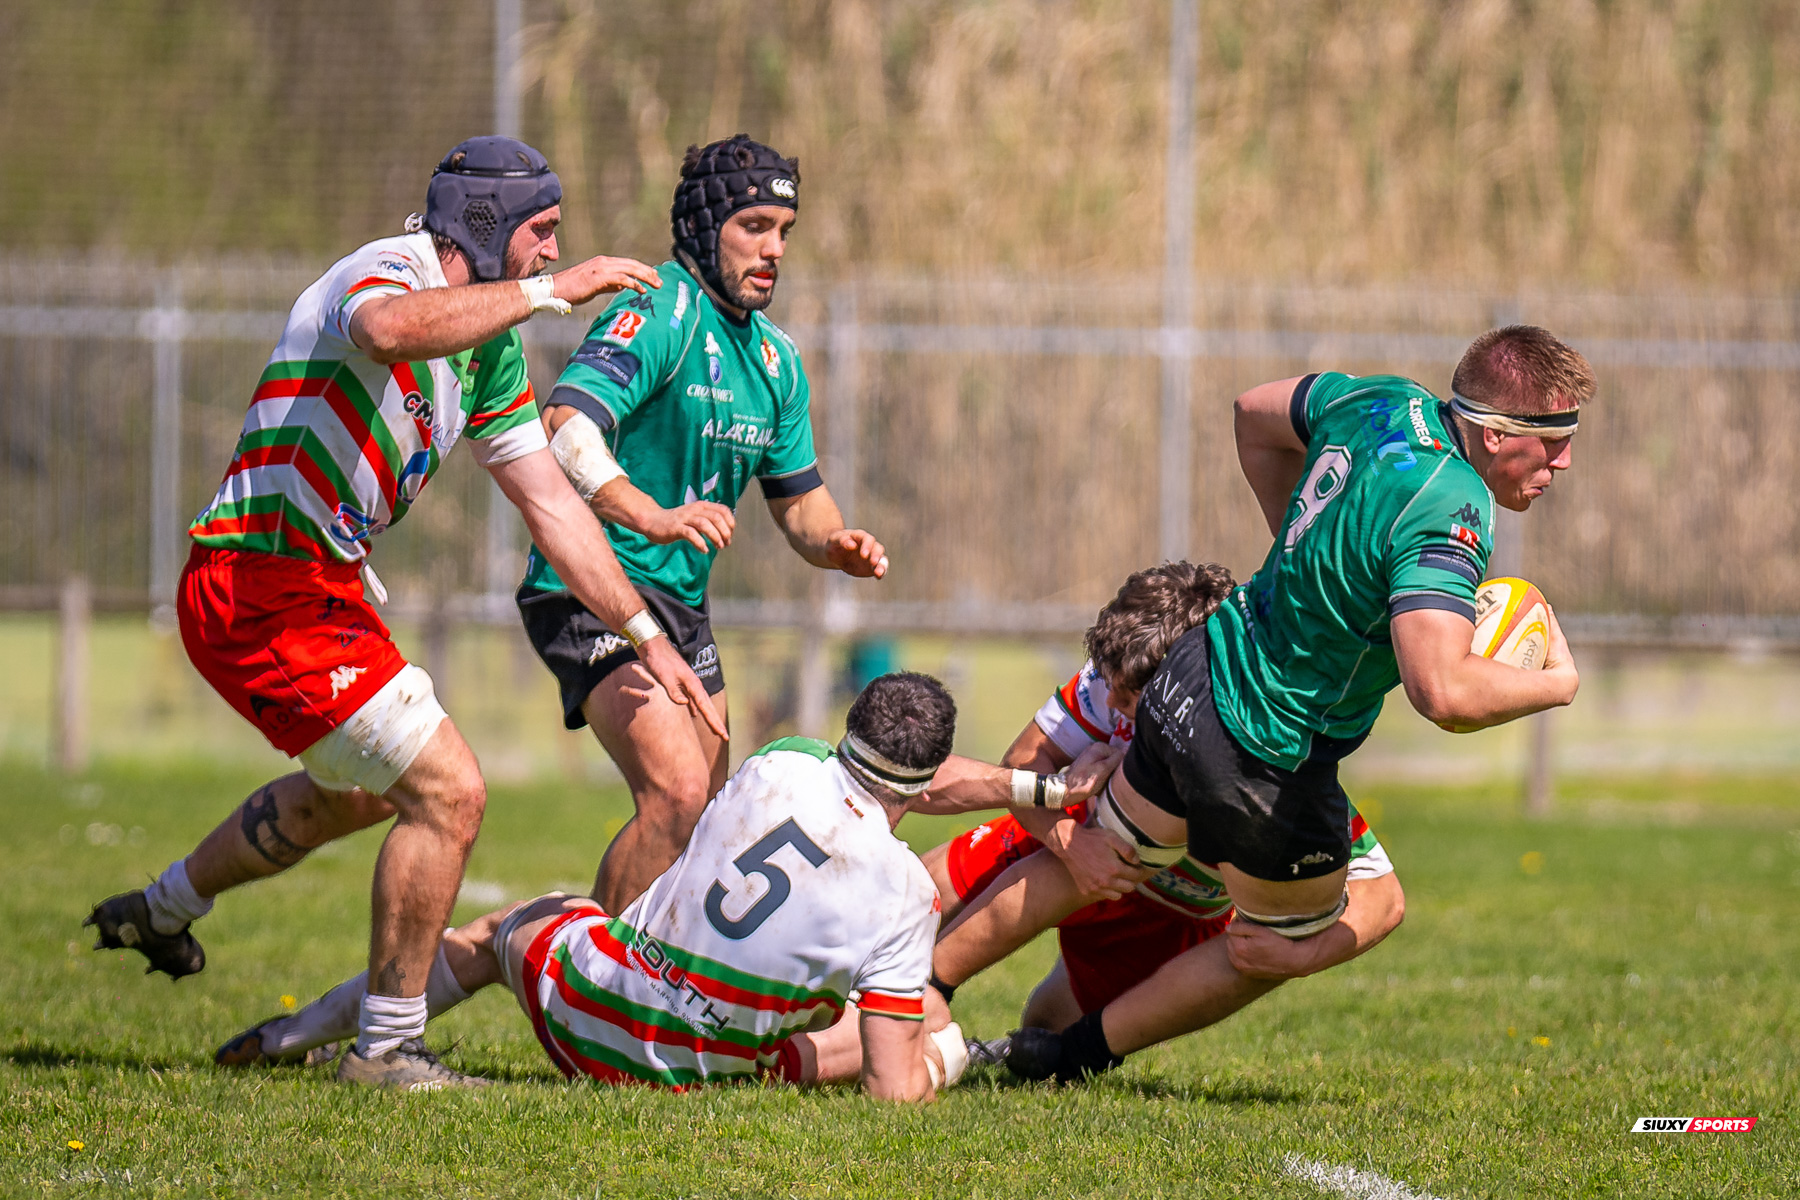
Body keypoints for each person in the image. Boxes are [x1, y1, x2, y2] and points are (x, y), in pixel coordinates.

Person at [84, 136, 722, 1090]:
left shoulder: (490, 360)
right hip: (260, 581)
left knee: (368, 790)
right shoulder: (390, 268)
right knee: (449, 792)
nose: (551, 253)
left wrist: (644, 635)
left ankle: (165, 908)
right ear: (487, 222)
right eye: (540, 233)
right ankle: (386, 1050)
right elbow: (384, 330)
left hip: (319, 591)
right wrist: (557, 293)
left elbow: (554, 508)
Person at [981, 325, 1592, 1080]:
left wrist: (1299, 555)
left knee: (1098, 852)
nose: (1565, 461)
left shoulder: (1381, 399)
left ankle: (918, 1006)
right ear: (1498, 434)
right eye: (1556, 441)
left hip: (1196, 678)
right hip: (1272, 746)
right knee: (1285, 939)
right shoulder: (1455, 502)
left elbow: (1251, 412)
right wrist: (1558, 684)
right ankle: (1065, 1058)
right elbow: (1444, 691)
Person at [217, 673, 972, 1098]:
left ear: (848, 731)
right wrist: (946, 1058)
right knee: (913, 1019)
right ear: (932, 777)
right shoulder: (910, 895)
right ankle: (963, 1045)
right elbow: (890, 1091)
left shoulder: (782, 761)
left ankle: (299, 1036)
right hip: (708, 1075)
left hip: (594, 1019)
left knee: (515, 921)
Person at [516, 134, 887, 914]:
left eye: (784, 231)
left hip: (680, 608)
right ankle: (589, 985)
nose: (774, 248)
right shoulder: (659, 310)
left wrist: (836, 543)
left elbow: (800, 501)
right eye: (754, 225)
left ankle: (551, 964)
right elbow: (565, 428)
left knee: (704, 824)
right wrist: (650, 516)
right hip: (594, 581)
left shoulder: (778, 362)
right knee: (680, 793)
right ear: (704, 222)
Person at [918, 562, 1403, 1081]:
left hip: (1174, 910)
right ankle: (914, 992)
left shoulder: (1262, 743)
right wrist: (1068, 841)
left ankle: (1050, 1049)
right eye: (1105, 683)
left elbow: (1385, 896)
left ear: (1182, 685)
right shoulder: (1118, 670)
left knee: (1046, 1031)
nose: (1108, 703)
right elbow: (1021, 764)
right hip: (1074, 847)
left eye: (1125, 698)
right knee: (907, 899)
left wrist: (1302, 956)